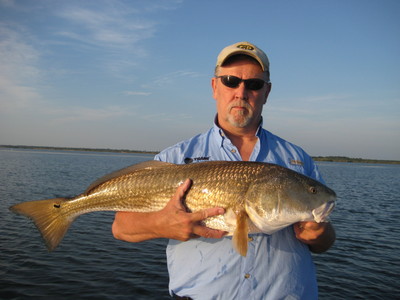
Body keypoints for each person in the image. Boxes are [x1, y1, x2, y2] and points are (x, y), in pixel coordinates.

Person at [112, 41, 336, 299]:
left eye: (254, 84)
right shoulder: (173, 158)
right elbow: (121, 227)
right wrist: (161, 224)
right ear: (214, 86)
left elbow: (325, 240)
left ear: (267, 92)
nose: (241, 92)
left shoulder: (298, 159)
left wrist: (319, 234)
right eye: (231, 81)